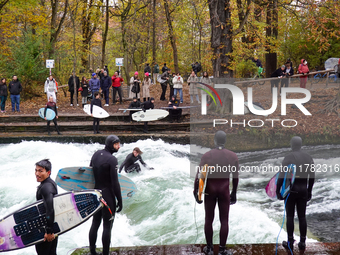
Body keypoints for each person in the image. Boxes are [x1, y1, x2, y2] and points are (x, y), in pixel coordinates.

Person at [194, 130, 239, 255]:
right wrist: (234, 192)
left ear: (214, 140)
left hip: (210, 189)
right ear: (225, 141)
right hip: (224, 189)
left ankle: (209, 249)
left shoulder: (207, 155)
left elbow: (200, 175)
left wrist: (196, 191)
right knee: (224, 220)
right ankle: (222, 250)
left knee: (209, 219)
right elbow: (235, 177)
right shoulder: (232, 156)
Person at [276, 136, 315, 253]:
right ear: (301, 145)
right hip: (303, 189)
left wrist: (278, 191)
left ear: (291, 145)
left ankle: (289, 242)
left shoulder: (288, 157)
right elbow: (312, 176)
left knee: (290, 216)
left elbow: (281, 176)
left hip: (291, 191)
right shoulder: (308, 157)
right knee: (302, 216)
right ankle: (302, 243)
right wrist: (309, 190)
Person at [89, 135, 122, 255]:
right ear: (110, 144)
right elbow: (115, 183)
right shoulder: (112, 160)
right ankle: (105, 254)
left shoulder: (96, 154)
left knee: (95, 223)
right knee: (107, 226)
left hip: (95, 194)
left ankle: (92, 251)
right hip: (107, 196)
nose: (119, 146)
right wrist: (120, 200)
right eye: (116, 144)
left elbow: (89, 174)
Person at [34, 159, 58, 255]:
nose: (37, 173)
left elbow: (50, 208)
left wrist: (49, 231)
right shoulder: (48, 183)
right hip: (51, 226)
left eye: (40, 171)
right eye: (36, 170)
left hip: (46, 229)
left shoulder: (46, 187)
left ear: (48, 172)